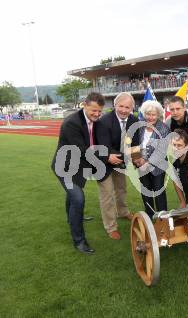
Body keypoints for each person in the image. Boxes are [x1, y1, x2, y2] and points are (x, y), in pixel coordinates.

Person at [51, 92, 105, 254]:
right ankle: (79, 241)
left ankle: (72, 218)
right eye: (93, 110)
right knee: (78, 198)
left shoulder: (94, 121)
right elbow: (82, 150)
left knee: (72, 197)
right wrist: (107, 156)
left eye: (99, 111)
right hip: (64, 167)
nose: (96, 114)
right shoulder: (71, 123)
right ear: (85, 105)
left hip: (78, 166)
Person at [95, 92, 139, 240]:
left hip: (120, 161)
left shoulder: (134, 120)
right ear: (115, 105)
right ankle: (110, 226)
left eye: (128, 107)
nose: (124, 110)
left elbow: (135, 142)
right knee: (107, 194)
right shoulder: (104, 121)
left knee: (121, 189)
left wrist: (137, 159)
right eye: (121, 106)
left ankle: (123, 212)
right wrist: (123, 156)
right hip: (103, 161)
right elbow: (103, 146)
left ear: (132, 108)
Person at [134, 100, 171, 218]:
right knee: (146, 192)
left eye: (153, 114)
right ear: (144, 114)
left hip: (157, 166)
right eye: (148, 114)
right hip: (141, 165)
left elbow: (161, 151)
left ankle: (163, 217)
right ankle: (149, 215)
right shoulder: (140, 126)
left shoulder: (163, 128)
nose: (150, 117)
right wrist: (136, 159)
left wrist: (146, 161)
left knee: (158, 191)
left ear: (158, 114)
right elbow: (133, 144)